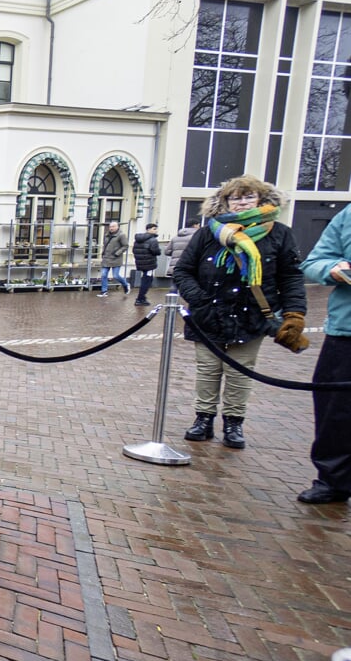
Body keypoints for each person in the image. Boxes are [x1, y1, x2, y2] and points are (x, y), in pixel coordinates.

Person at [173, 175, 307, 450]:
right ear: (225, 202)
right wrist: (200, 300)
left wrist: (294, 313)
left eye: (248, 196)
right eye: (236, 197)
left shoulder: (279, 233)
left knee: (240, 371)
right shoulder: (209, 233)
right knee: (208, 369)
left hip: (251, 315)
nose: (242, 202)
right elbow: (183, 270)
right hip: (209, 314)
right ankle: (204, 418)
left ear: (261, 199)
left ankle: (234, 422)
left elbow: (291, 276)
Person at [296, 205, 351, 504]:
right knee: (334, 407)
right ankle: (334, 478)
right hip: (346, 330)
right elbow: (315, 261)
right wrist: (333, 269)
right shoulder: (348, 216)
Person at [96, 220, 131, 297]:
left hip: (116, 259)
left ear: (117, 227)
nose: (111, 228)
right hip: (106, 258)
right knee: (104, 274)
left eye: (113, 226)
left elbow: (125, 246)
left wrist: (117, 253)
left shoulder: (121, 235)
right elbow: (105, 245)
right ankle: (104, 291)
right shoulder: (106, 235)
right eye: (110, 226)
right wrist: (103, 252)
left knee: (116, 276)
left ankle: (125, 284)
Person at [132, 222, 161, 306]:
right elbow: (156, 251)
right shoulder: (153, 240)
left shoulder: (138, 240)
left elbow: (134, 250)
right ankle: (140, 298)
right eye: (154, 229)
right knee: (147, 281)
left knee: (145, 279)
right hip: (149, 264)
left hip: (140, 263)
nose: (156, 231)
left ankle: (142, 297)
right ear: (148, 229)